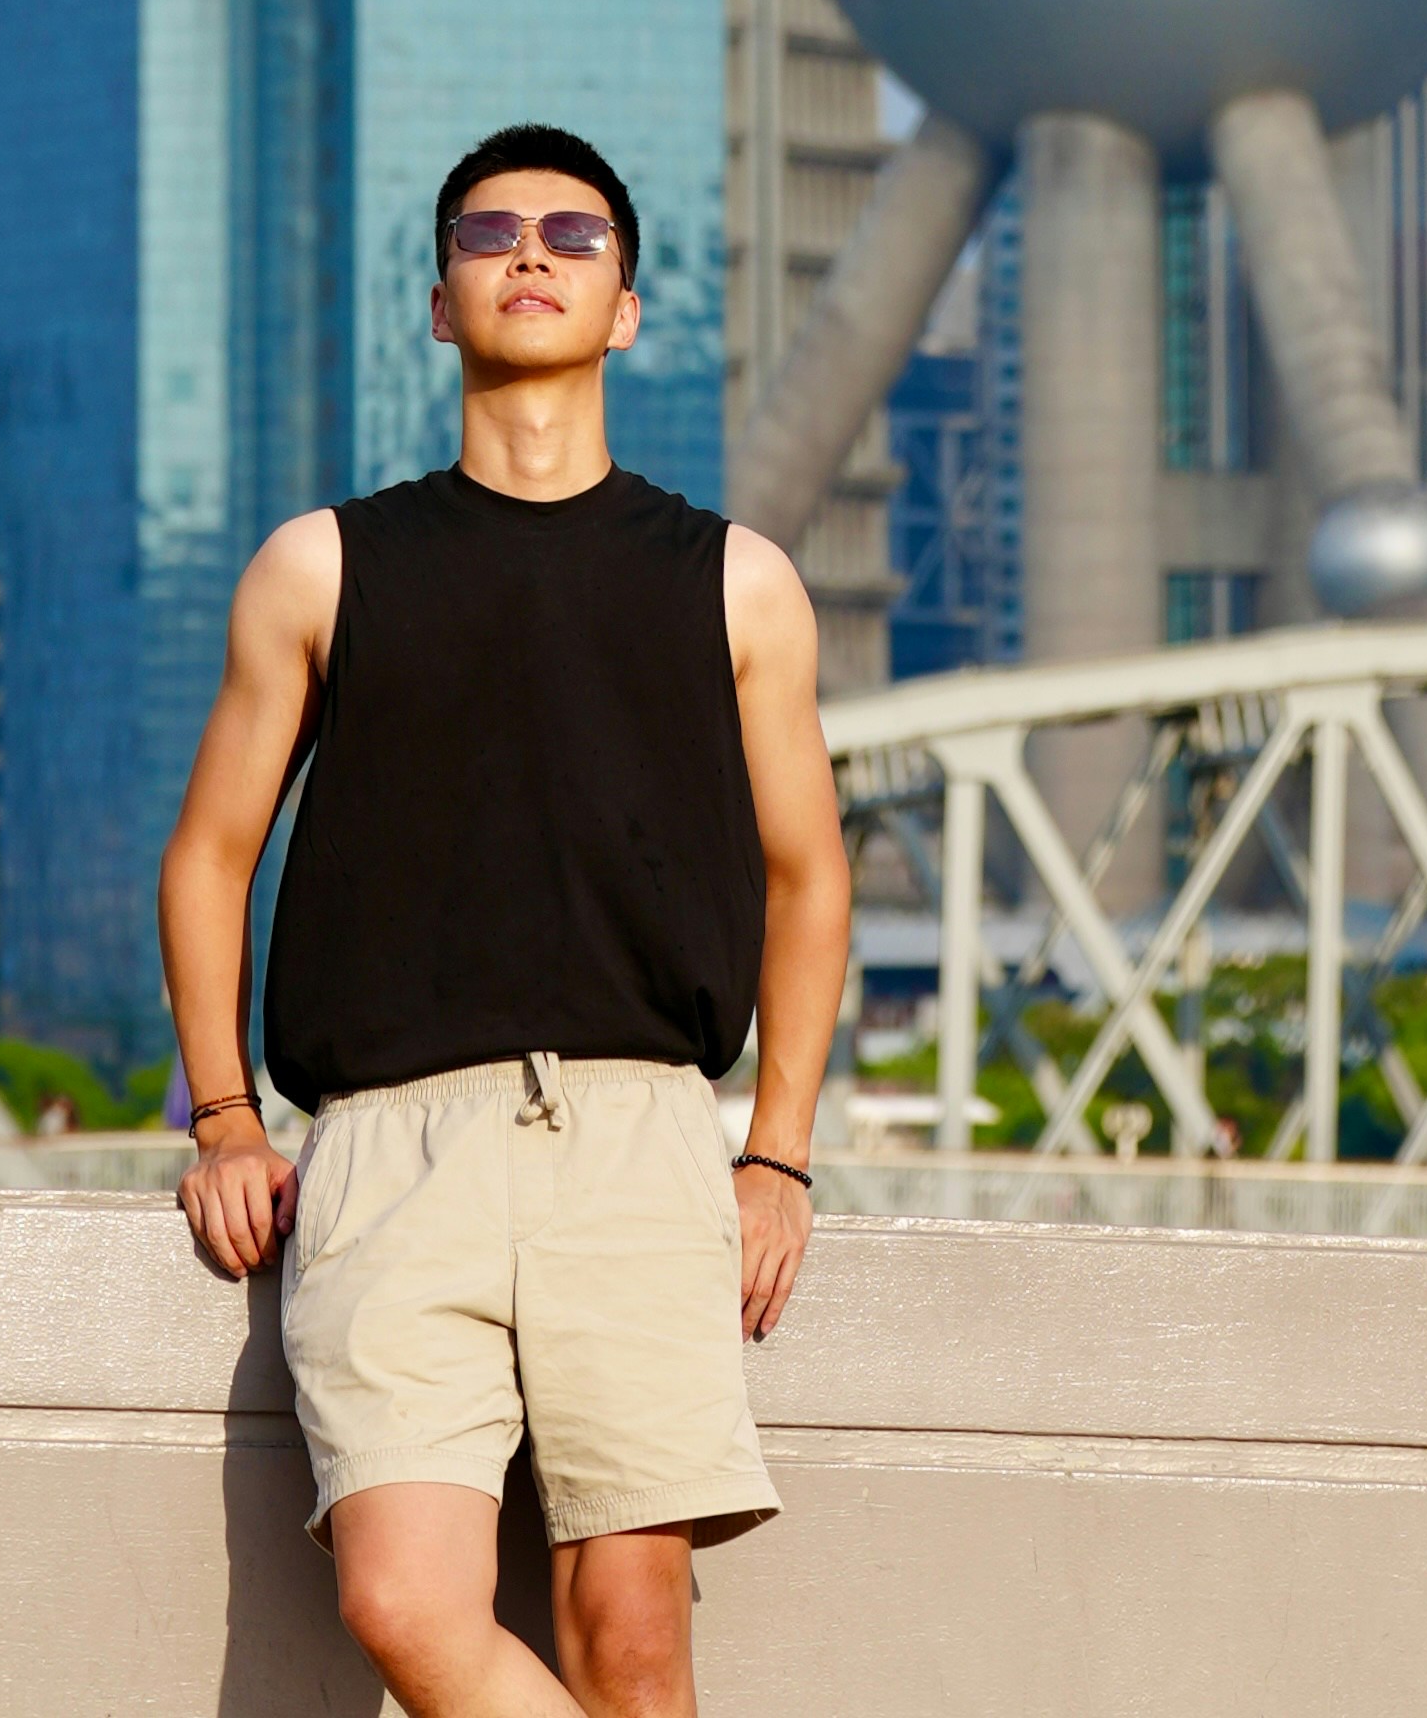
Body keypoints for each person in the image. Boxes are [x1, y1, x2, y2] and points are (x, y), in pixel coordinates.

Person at [161, 121, 849, 1718]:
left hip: (642, 1136)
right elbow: (210, 856)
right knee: (403, 1604)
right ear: (438, 300)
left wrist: (779, 1153)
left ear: (622, 312)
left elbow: (812, 877)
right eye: (489, 235)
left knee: (635, 1639)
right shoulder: (320, 568)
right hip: (390, 1146)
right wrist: (221, 1119)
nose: (530, 254)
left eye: (572, 236)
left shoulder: (737, 581)